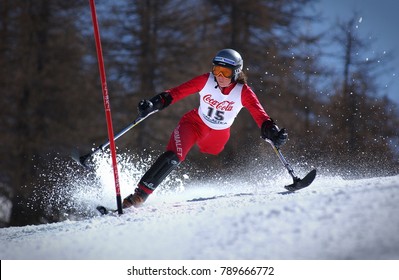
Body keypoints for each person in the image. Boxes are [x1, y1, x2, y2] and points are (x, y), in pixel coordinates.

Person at [122, 48, 287, 208]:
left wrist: (271, 131)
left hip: (218, 135)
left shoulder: (243, 92)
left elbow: (260, 116)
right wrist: (153, 104)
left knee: (212, 151)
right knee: (175, 155)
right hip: (194, 124)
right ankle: (140, 194)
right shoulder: (206, 80)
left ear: (236, 72)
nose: (220, 76)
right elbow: (176, 92)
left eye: (226, 72)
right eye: (217, 70)